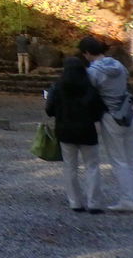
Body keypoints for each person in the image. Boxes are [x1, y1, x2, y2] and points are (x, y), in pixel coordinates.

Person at [79, 36, 133, 213]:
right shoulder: (118, 65)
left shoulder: (93, 72)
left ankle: (128, 199)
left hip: (111, 115)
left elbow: (90, 92)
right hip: (128, 112)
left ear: (87, 53)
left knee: (118, 160)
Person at [45, 56, 105, 213]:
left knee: (70, 167)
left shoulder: (58, 88)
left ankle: (75, 202)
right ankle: (94, 203)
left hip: (65, 130)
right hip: (87, 131)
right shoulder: (90, 88)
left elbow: (49, 110)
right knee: (92, 167)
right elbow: (98, 112)